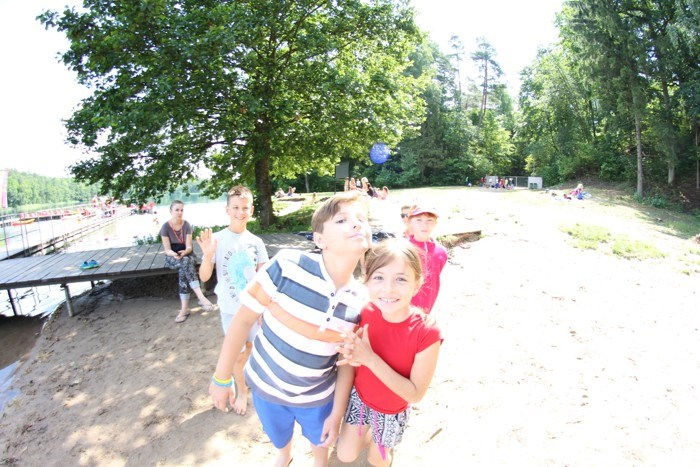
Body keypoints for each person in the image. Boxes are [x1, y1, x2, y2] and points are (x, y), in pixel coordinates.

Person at [209, 191, 372, 467]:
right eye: (342, 220)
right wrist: (221, 378)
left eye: (361, 219)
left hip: (317, 397)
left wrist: (336, 414)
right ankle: (285, 454)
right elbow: (243, 320)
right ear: (319, 239)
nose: (357, 223)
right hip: (265, 387)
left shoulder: (362, 302)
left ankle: (319, 461)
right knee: (278, 435)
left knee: (320, 440)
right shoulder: (287, 265)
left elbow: (346, 363)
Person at [335, 239, 442, 466]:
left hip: (393, 411)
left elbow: (415, 394)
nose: (388, 289)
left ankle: (380, 443)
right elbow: (350, 356)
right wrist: (351, 355)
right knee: (345, 455)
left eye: (401, 279)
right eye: (379, 277)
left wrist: (370, 359)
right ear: (367, 280)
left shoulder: (426, 331)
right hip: (360, 399)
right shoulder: (366, 312)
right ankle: (369, 435)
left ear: (417, 283)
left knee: (379, 460)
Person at [197, 185, 269, 415]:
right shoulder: (217, 240)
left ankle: (255, 384)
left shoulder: (257, 242)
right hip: (230, 310)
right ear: (227, 210)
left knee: (255, 350)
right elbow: (204, 277)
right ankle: (242, 391)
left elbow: (263, 280)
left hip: (254, 310)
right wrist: (208, 256)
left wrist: (263, 311)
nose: (240, 212)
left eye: (245, 208)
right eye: (235, 207)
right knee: (237, 355)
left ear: (252, 210)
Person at [160, 200, 214, 323]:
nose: (180, 212)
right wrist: (174, 254)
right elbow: (167, 250)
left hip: (187, 255)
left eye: (181, 210)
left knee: (184, 265)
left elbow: (189, 247)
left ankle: (184, 310)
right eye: (177, 210)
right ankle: (201, 297)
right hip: (172, 257)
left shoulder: (186, 225)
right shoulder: (165, 227)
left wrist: (184, 252)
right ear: (171, 211)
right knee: (184, 264)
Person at [405, 206, 447, 314]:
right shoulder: (403, 249)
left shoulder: (441, 252)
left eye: (429, 220)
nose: (424, 225)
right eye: (419, 220)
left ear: (435, 223)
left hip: (428, 305)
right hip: (404, 306)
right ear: (410, 222)